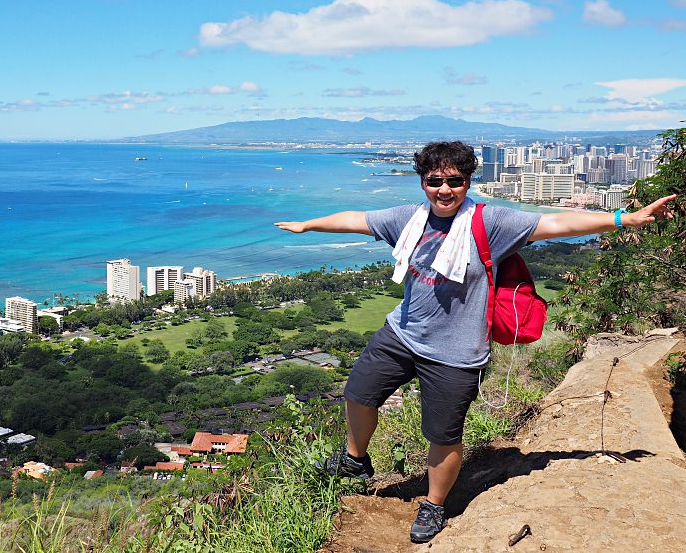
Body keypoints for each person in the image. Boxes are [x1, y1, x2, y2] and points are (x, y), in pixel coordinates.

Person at [275, 140, 676, 544]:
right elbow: (356, 219)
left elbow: (556, 223)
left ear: (468, 181)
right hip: (403, 332)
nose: (444, 189)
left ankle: (433, 506)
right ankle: (355, 460)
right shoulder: (406, 218)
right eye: (435, 181)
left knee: (443, 436)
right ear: (423, 182)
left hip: (456, 352)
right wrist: (308, 225)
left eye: (455, 180)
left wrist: (625, 218)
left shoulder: (491, 223)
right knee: (359, 393)